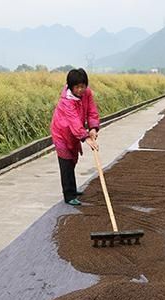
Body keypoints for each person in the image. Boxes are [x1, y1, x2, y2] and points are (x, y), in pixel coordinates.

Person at [49, 68, 100, 206]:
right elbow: (74, 122)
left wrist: (93, 127)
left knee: (72, 159)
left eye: (82, 86)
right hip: (61, 132)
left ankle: (73, 188)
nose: (80, 90)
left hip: (74, 132)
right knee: (65, 162)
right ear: (71, 87)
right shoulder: (66, 101)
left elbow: (91, 110)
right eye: (77, 87)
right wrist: (86, 137)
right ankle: (69, 195)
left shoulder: (87, 93)